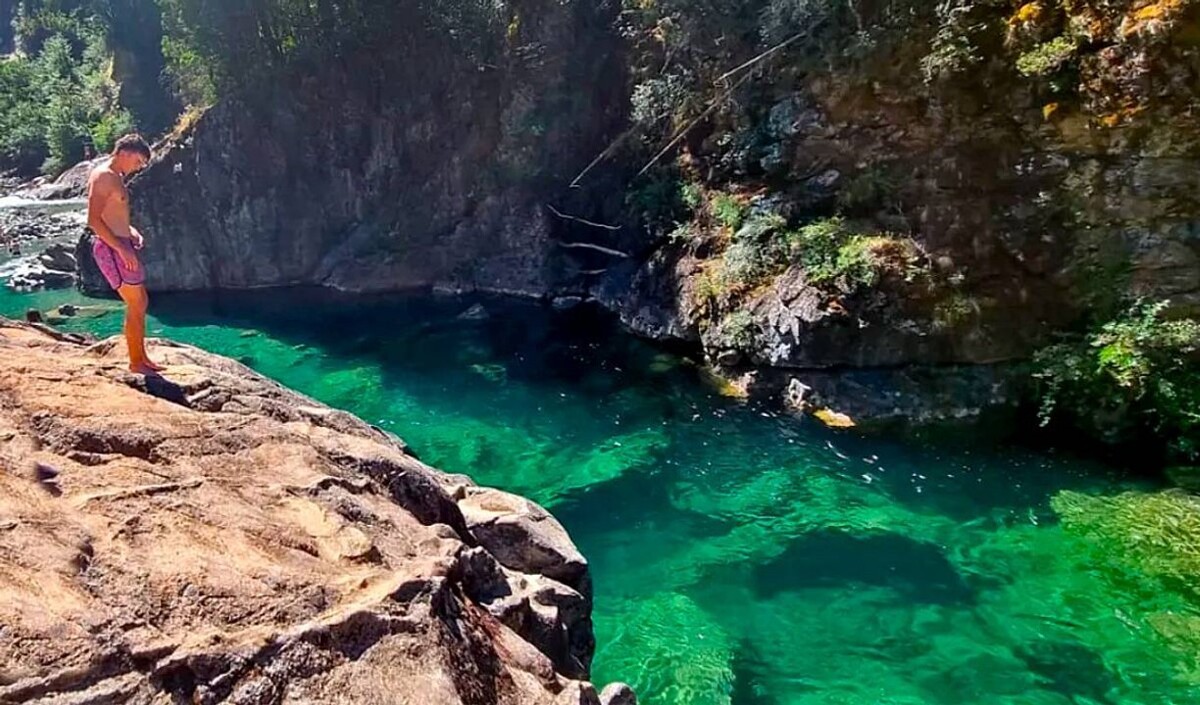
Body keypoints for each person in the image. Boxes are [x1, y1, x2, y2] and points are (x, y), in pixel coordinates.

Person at [87, 134, 161, 374]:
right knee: (136, 302)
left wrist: (130, 231)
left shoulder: (115, 176)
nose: (138, 168)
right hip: (112, 248)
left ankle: (141, 357)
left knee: (141, 301)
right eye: (138, 162)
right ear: (125, 153)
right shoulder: (104, 177)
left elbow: (113, 215)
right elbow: (94, 221)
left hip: (121, 243)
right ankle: (136, 362)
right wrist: (120, 248)